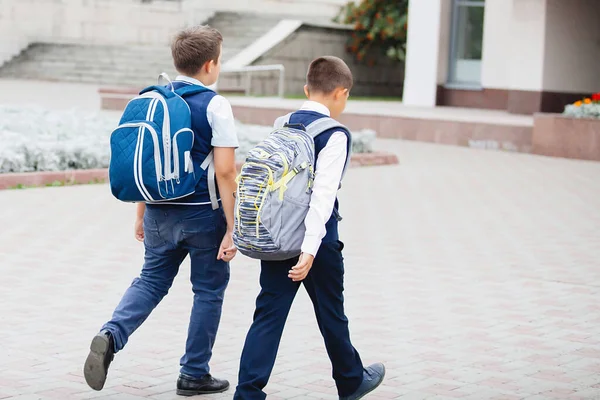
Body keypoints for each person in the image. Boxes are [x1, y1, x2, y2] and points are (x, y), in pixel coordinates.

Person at [83, 25, 238, 397]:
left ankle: (111, 334)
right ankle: (194, 373)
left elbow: (146, 163)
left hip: (156, 210)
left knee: (150, 281)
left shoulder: (154, 97)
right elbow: (226, 171)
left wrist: (140, 215)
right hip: (204, 214)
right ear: (211, 64)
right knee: (208, 291)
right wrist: (234, 228)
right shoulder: (215, 104)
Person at [234, 56, 385, 400]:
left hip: (277, 235)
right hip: (316, 242)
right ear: (341, 93)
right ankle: (350, 381)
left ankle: (247, 393)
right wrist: (311, 248)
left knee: (268, 315)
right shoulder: (334, 134)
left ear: (306, 89)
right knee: (331, 311)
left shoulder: (283, 123)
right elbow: (323, 195)